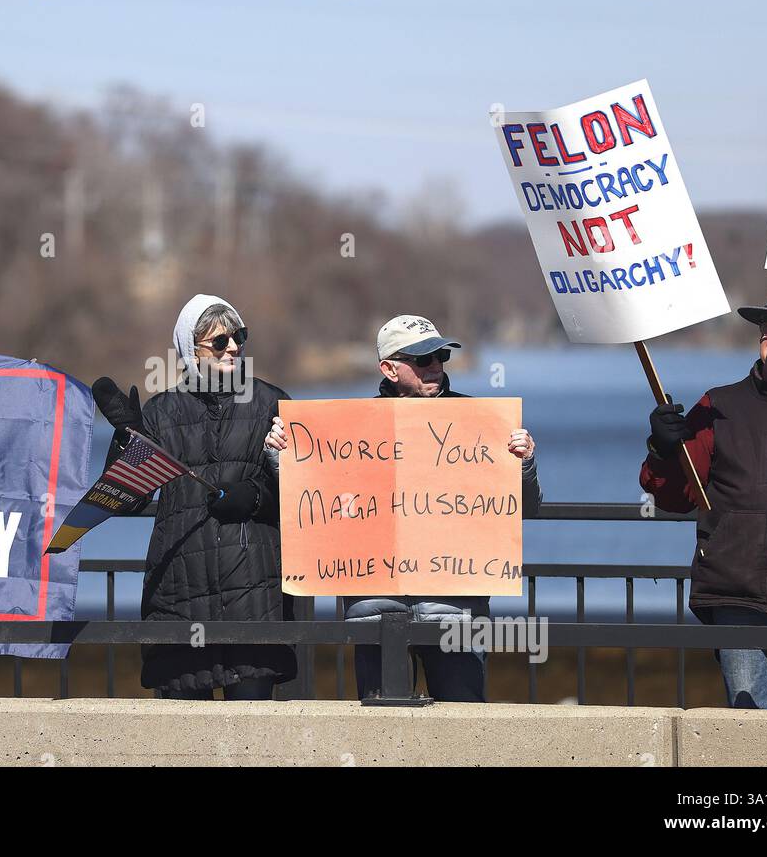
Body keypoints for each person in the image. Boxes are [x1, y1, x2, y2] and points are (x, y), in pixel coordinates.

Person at [264, 315, 542, 701]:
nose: (436, 366)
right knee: (380, 732)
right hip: (376, 608)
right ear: (389, 368)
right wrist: (282, 457)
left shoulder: (481, 423)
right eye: (422, 359)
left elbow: (525, 507)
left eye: (441, 355)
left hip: (454, 608)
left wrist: (524, 463)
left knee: (464, 726)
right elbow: (312, 502)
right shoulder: (350, 429)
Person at [640, 276, 767, 711]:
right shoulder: (717, 406)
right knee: (751, 735)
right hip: (736, 596)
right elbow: (675, 496)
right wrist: (662, 448)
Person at [92, 294, 296, 699]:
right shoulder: (162, 411)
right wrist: (125, 442)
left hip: (253, 598)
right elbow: (125, 497)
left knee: (253, 747)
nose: (234, 347)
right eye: (220, 342)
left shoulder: (271, 402)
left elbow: (304, 495)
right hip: (179, 597)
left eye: (239, 336)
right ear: (191, 350)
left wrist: (255, 498)